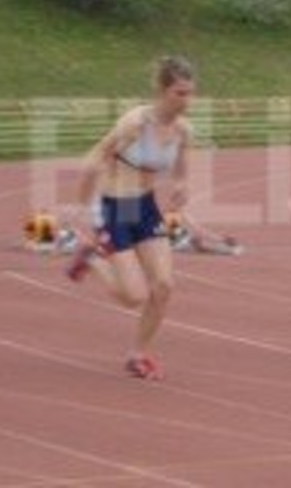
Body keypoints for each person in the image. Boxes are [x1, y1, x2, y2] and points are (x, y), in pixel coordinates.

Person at [65, 56, 195, 380]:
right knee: (133, 297)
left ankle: (138, 354)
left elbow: (181, 169)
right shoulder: (135, 123)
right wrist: (82, 209)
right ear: (163, 91)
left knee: (164, 285)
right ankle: (92, 259)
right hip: (115, 207)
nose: (186, 100)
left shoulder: (183, 129)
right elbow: (95, 156)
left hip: (145, 206)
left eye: (190, 93)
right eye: (180, 93)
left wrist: (180, 186)